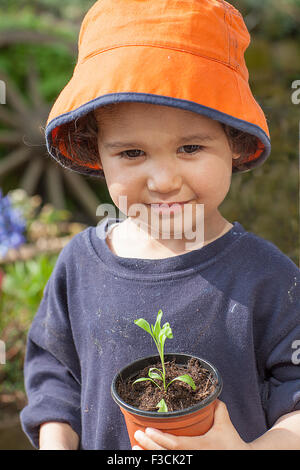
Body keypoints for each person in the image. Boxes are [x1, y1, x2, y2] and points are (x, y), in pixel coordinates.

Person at [20, 0, 300, 450]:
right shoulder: (78, 266)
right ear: (99, 154)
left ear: (233, 144)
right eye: (131, 153)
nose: (165, 181)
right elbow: (55, 373)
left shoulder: (268, 278)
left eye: (190, 148)